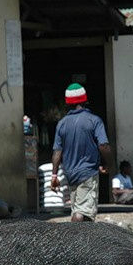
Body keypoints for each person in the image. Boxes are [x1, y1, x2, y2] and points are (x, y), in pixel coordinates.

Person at [51, 83, 113, 222]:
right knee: (81, 213)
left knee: (81, 210)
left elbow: (57, 151)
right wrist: (109, 163)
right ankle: (73, 240)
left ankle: (83, 242)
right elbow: (103, 145)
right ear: (85, 100)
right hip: (88, 173)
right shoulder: (94, 120)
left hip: (71, 174)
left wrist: (54, 175)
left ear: (67, 103)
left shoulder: (62, 124)